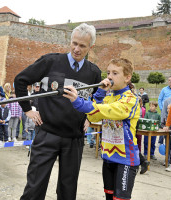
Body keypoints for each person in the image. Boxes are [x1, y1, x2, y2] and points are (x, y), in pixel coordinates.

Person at [14, 23, 101, 200]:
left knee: (68, 190)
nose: (77, 49)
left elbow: (98, 98)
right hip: (47, 134)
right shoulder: (50, 62)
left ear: (91, 47)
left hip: (74, 138)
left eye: (82, 46)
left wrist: (91, 117)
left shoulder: (94, 72)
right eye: (74, 43)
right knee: (35, 187)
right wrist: (28, 109)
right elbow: (20, 80)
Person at [63, 58, 139, 200]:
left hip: (125, 160)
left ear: (127, 78)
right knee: (108, 197)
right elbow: (94, 117)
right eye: (108, 72)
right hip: (108, 157)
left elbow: (109, 110)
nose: (109, 77)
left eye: (115, 73)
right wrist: (99, 94)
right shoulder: (108, 97)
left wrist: (79, 102)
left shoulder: (131, 99)